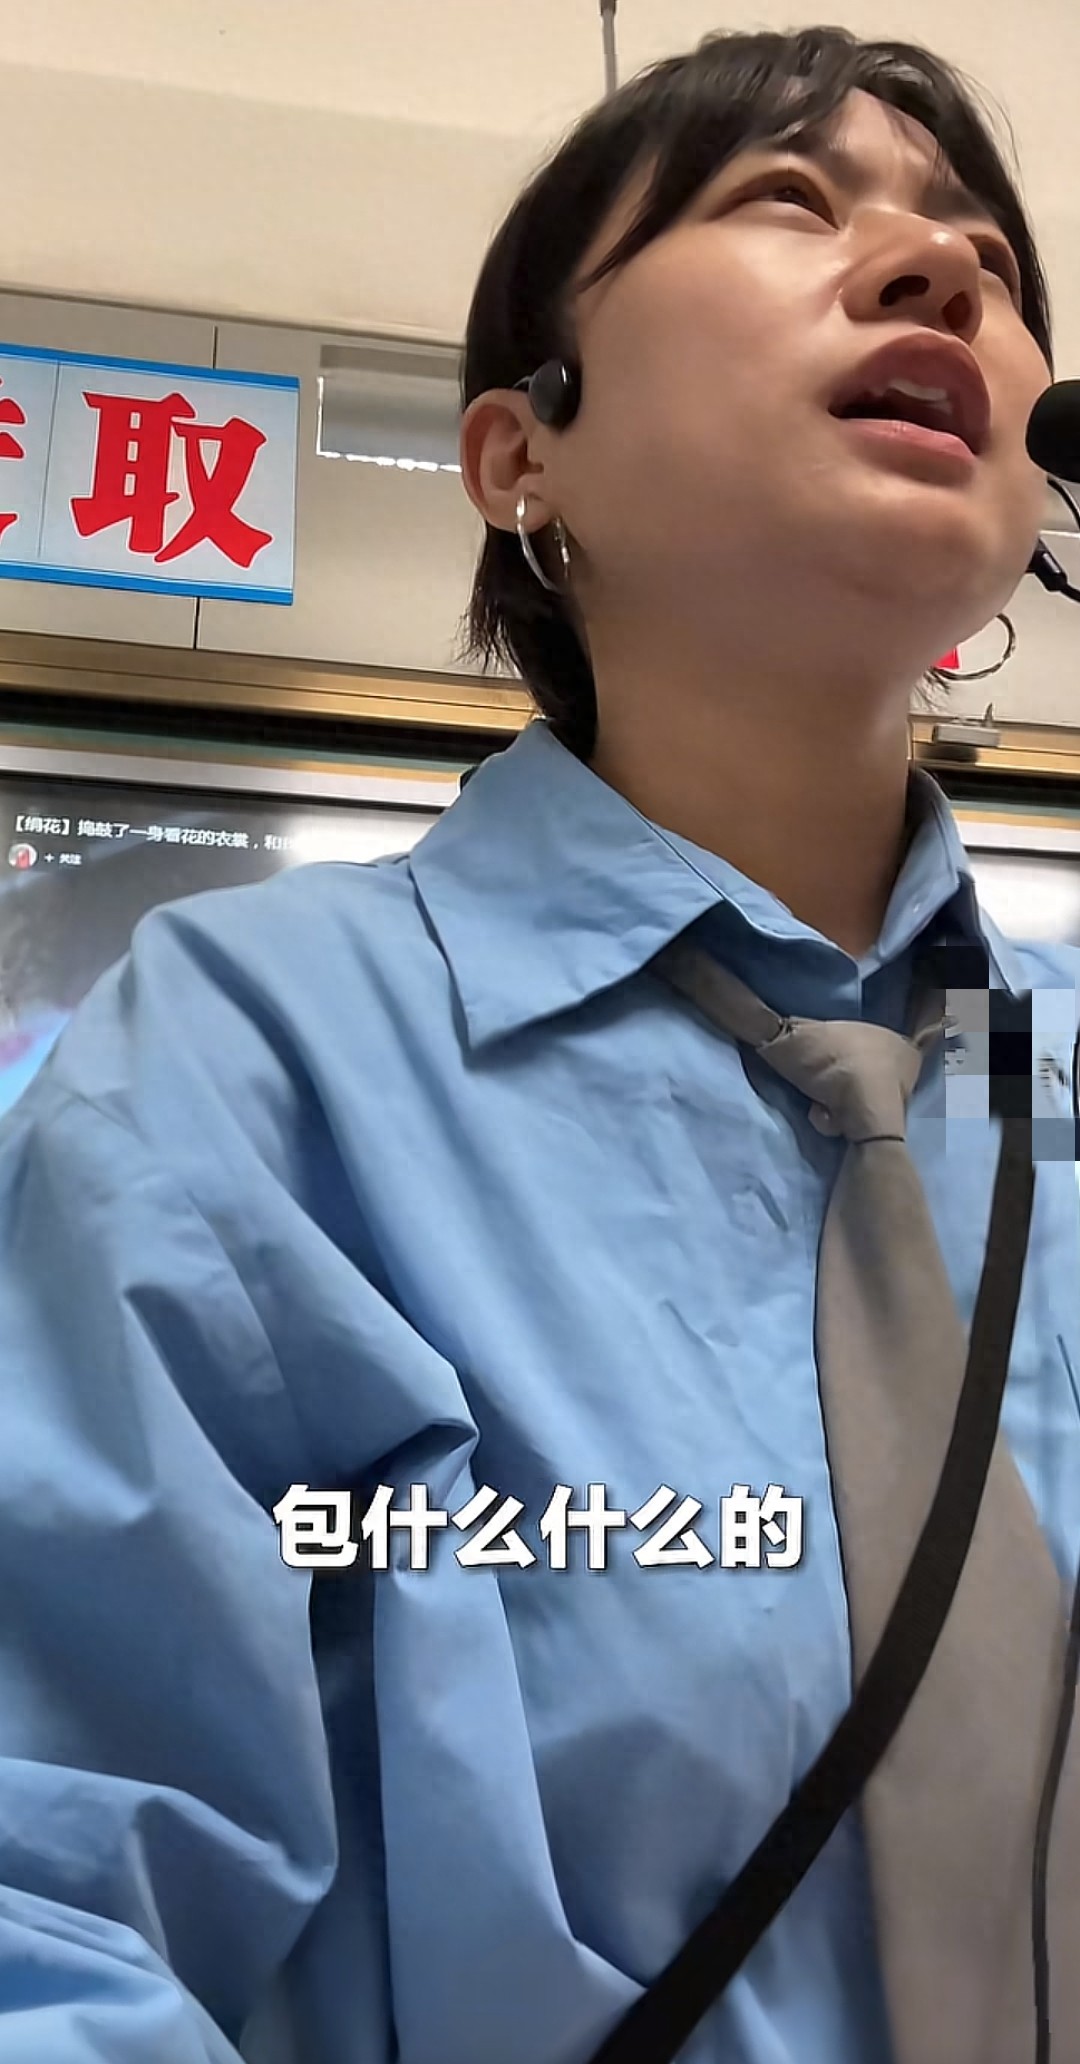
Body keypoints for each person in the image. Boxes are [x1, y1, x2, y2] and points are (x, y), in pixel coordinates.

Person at [0, 23, 1077, 2064]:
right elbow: (44, 1896)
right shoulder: (256, 1067)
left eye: (993, 260)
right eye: (788, 198)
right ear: (518, 459)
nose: (940, 268)